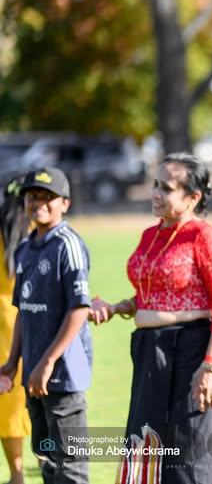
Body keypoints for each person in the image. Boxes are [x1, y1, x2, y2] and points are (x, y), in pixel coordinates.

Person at [89, 152, 212, 484]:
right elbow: (150, 294)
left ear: (193, 197)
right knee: (145, 444)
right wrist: (116, 308)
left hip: (191, 352)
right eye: (155, 185)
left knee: (189, 452)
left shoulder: (204, 237)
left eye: (167, 188)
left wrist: (210, 366)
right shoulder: (150, 235)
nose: (155, 193)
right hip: (149, 353)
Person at [0, 167, 93, 484]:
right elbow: (23, 311)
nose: (38, 202)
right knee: (47, 463)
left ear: (65, 203)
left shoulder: (68, 244)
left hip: (63, 376)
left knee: (70, 468)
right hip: (33, 378)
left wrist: (48, 363)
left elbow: (79, 308)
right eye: (32, 195)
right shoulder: (25, 248)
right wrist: (13, 364)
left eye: (47, 197)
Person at [0, 177, 32, 484]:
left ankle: (17, 474)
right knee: (15, 405)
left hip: (7, 329)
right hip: (21, 328)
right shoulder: (33, 236)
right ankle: (19, 472)